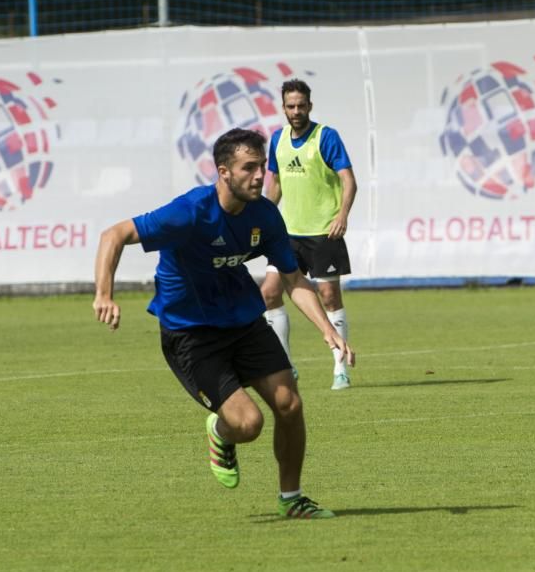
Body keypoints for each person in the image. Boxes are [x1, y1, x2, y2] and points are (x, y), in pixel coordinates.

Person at [93, 128, 355, 519]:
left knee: (290, 403)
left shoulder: (265, 215)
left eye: (261, 167)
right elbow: (113, 235)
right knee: (248, 424)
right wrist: (103, 294)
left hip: (244, 323)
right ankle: (220, 432)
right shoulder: (190, 212)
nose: (258, 176)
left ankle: (293, 498)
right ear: (223, 172)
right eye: (248, 168)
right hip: (190, 333)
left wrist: (327, 330)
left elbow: (293, 279)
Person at [260, 79, 358, 390]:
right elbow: (274, 184)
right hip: (287, 234)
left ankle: (339, 367)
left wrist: (342, 214)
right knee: (270, 293)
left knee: (329, 297)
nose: (297, 111)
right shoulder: (277, 140)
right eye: (291, 106)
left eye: (302, 105)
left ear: (310, 106)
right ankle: (285, 365)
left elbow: (349, 180)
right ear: (284, 108)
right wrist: (262, 216)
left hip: (323, 233)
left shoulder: (325, 137)